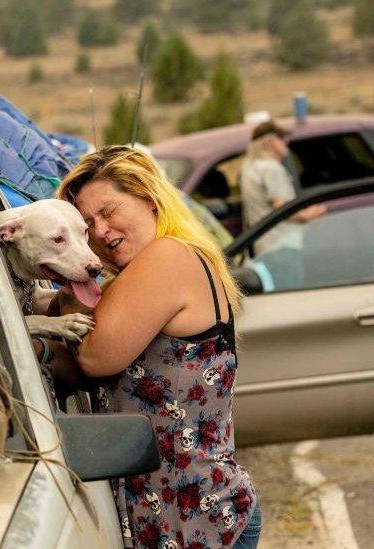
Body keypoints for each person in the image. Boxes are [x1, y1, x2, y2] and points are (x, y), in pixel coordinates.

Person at [56, 146, 260, 549]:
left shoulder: (168, 256)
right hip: (183, 524)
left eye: (109, 211)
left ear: (149, 199)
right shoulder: (151, 270)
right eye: (86, 223)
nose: (99, 231)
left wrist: (73, 274)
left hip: (202, 525)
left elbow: (94, 357)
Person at [239, 121, 325, 289]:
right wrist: (309, 215)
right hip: (283, 246)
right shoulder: (271, 169)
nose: (286, 142)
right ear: (269, 142)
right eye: (281, 138)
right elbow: (282, 208)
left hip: (265, 246)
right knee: (291, 296)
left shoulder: (249, 167)